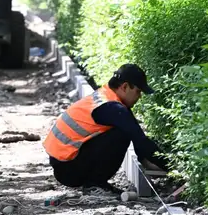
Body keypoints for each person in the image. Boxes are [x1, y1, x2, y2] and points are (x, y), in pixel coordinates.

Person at [43, 63, 170, 195]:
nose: (139, 97)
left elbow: (139, 141)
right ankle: (95, 184)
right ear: (125, 87)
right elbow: (141, 140)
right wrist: (173, 168)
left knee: (125, 130)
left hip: (64, 165)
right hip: (69, 169)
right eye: (138, 91)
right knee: (122, 134)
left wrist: (144, 158)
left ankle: (95, 182)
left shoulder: (105, 96)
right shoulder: (112, 108)